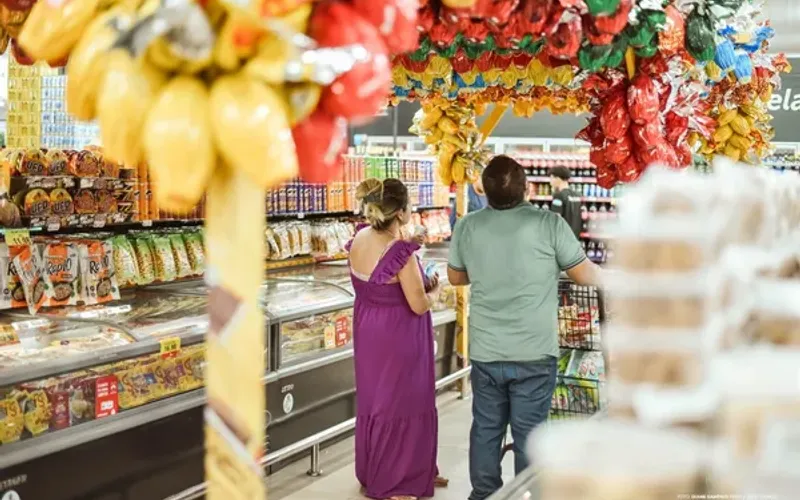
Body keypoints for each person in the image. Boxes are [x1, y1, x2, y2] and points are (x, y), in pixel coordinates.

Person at [446, 155, 600, 500]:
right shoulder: (548, 224)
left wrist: (487, 269)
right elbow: (584, 273)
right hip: (534, 349)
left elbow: (455, 276)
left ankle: (484, 493)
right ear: (527, 188)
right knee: (530, 433)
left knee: (486, 428)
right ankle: (526, 494)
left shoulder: (468, 225)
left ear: (483, 191)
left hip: (486, 348)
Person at [346, 178, 448, 500]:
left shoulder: (359, 238)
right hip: (399, 333)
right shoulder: (400, 252)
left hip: (368, 329)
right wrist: (438, 291)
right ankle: (397, 480)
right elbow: (418, 304)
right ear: (401, 212)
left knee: (377, 400)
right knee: (404, 399)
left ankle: (385, 469)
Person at [549, 165, 583, 239]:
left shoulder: (559, 196)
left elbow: (555, 219)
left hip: (562, 239)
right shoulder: (577, 195)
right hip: (575, 238)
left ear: (558, 179)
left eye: (551, 178)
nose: (550, 182)